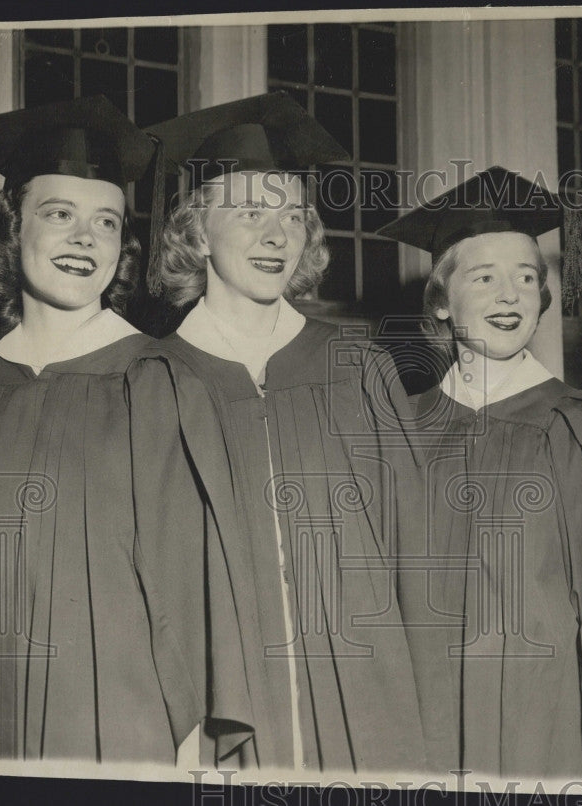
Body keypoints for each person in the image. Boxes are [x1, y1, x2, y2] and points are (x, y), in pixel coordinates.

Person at [129, 91, 426, 771]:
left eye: (293, 215)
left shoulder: (358, 367)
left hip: (367, 701)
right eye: (251, 212)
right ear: (198, 232)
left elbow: (415, 553)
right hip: (216, 713)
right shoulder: (152, 380)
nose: (276, 235)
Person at [375, 167, 582, 782]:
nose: (511, 295)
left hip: (547, 720)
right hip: (421, 717)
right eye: (485, 277)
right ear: (441, 302)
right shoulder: (399, 431)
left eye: (528, 278)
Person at [0, 96, 174, 761]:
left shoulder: (160, 381)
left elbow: (193, 588)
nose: (83, 238)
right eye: (58, 214)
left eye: (105, 221)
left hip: (113, 719)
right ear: (13, 231)